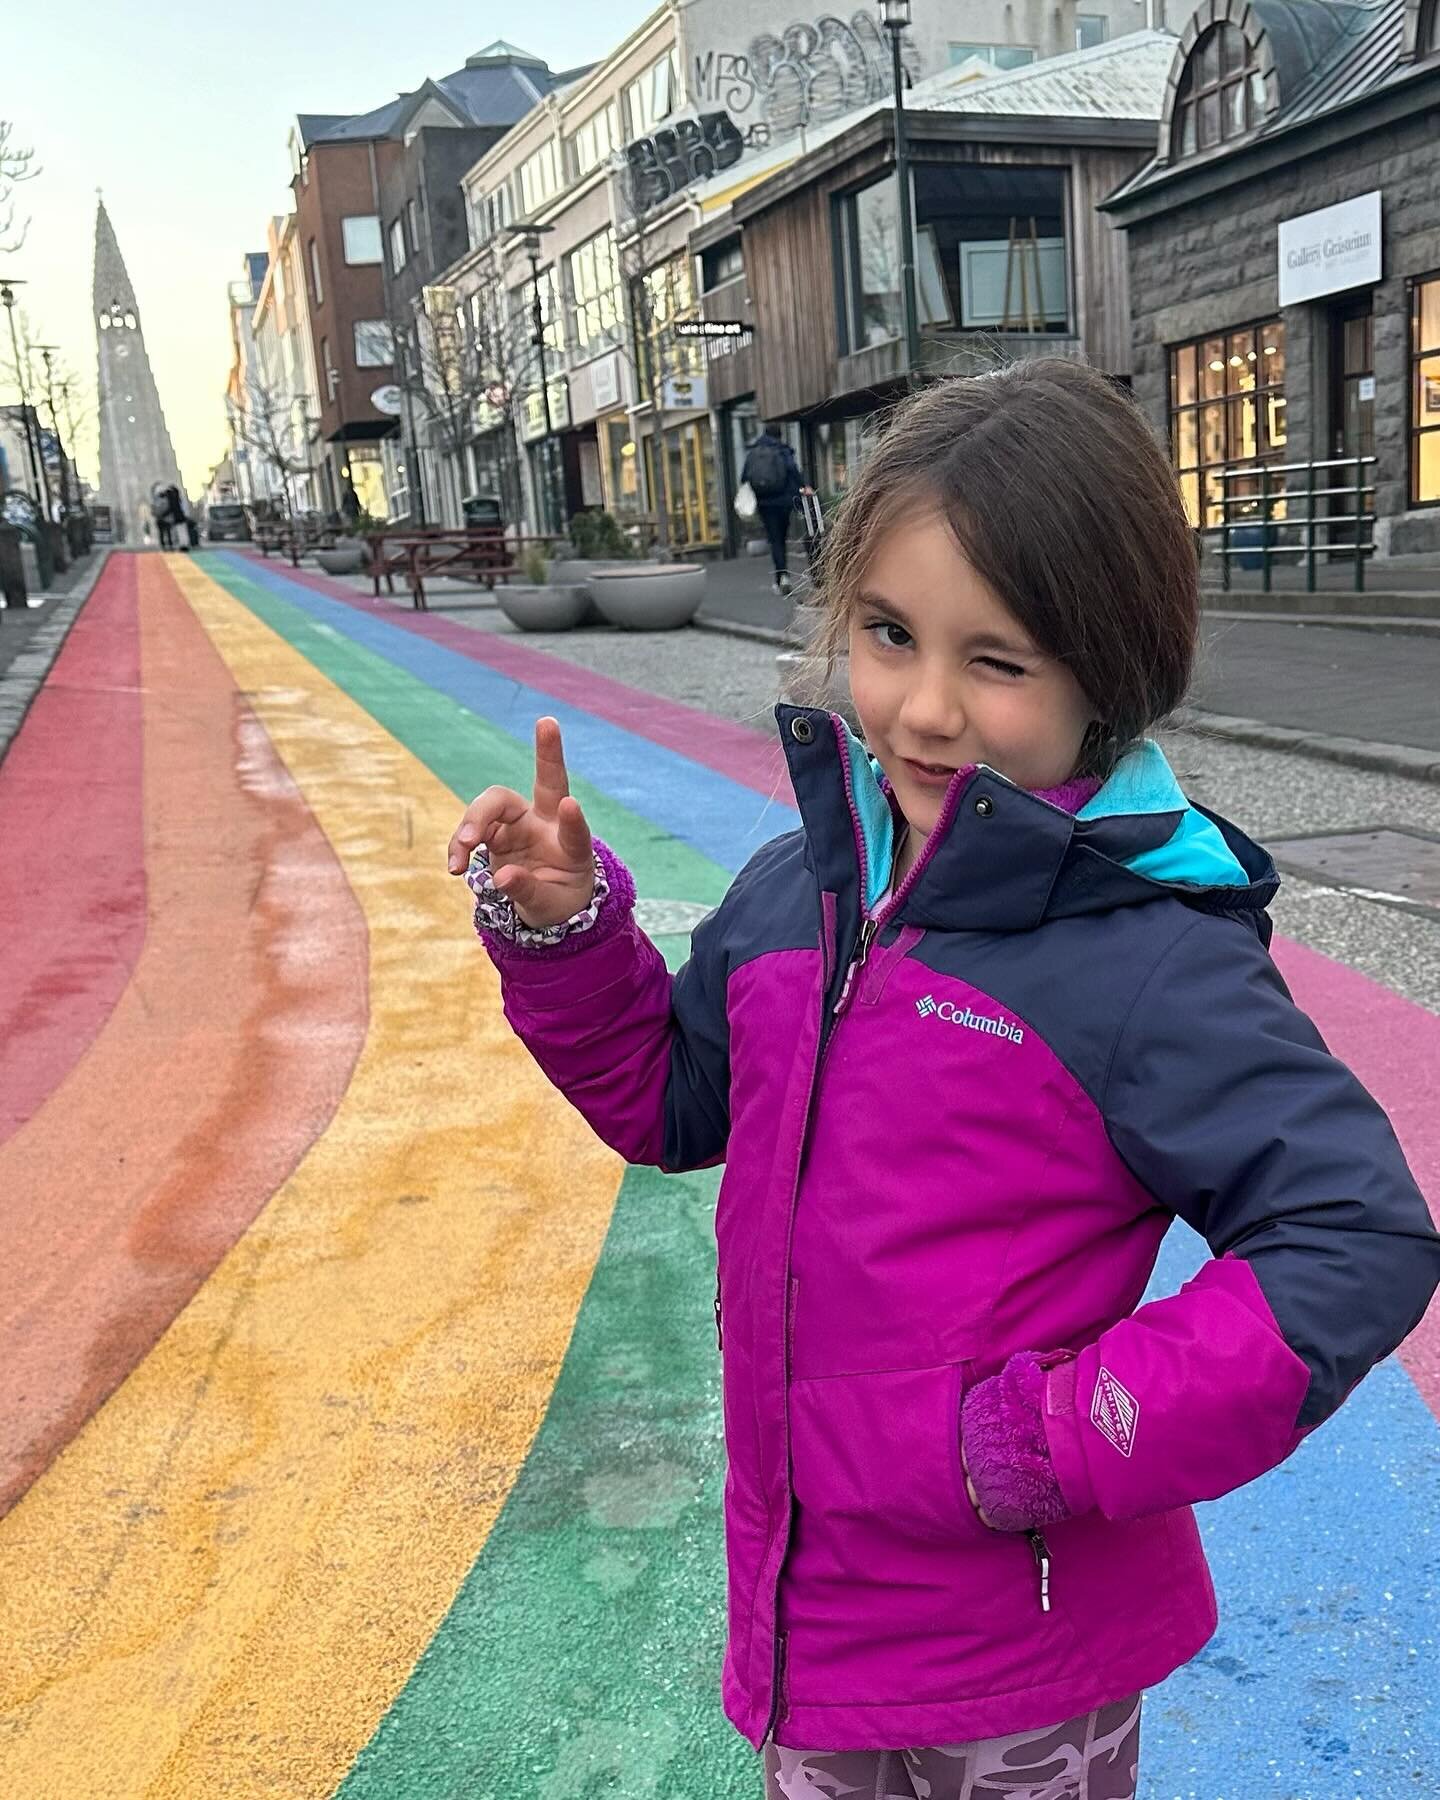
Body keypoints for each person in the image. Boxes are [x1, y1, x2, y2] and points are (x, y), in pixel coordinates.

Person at [446, 360, 1440, 1800]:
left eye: (998, 659)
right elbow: (672, 1102)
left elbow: (1356, 1238)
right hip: (811, 1624)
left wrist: (1053, 1439)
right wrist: (565, 934)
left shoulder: (1144, 953)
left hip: (1025, 1655)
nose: (924, 708)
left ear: (1105, 670)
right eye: (891, 634)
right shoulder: (801, 891)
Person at [742, 422, 809, 595]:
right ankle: (783, 575)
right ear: (780, 435)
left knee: (775, 541)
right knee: (782, 537)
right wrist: (803, 487)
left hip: (765, 503)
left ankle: (782, 577)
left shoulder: (754, 453)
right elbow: (793, 471)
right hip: (784, 502)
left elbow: (744, 477)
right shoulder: (782, 450)